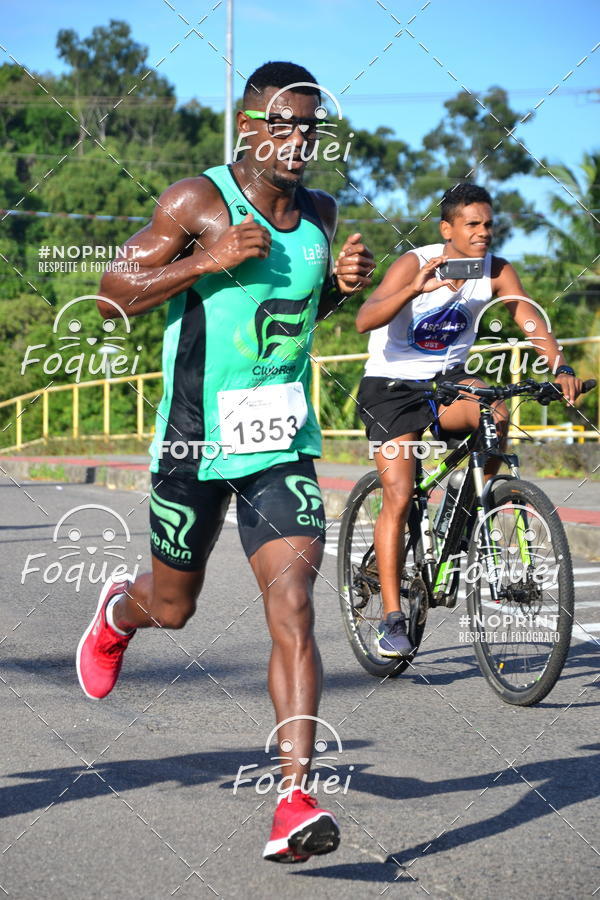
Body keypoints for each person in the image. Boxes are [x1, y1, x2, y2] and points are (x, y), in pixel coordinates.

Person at [75, 61, 374, 863]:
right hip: (191, 442)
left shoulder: (319, 212)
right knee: (174, 608)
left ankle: (294, 798)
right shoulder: (197, 202)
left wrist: (341, 291)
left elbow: (290, 316)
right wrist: (206, 261)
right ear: (247, 127)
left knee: (295, 605)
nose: (296, 140)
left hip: (278, 444)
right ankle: (117, 615)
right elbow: (111, 292)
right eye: (280, 123)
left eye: (308, 125)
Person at [355, 182, 582, 658]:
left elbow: (527, 316)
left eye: (488, 224)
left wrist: (558, 366)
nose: (483, 233)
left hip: (447, 380)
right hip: (393, 386)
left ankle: (467, 499)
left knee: (494, 409)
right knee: (399, 492)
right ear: (447, 229)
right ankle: (393, 619)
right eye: (472, 224)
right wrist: (414, 290)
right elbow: (365, 318)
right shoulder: (414, 263)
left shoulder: (496, 271)